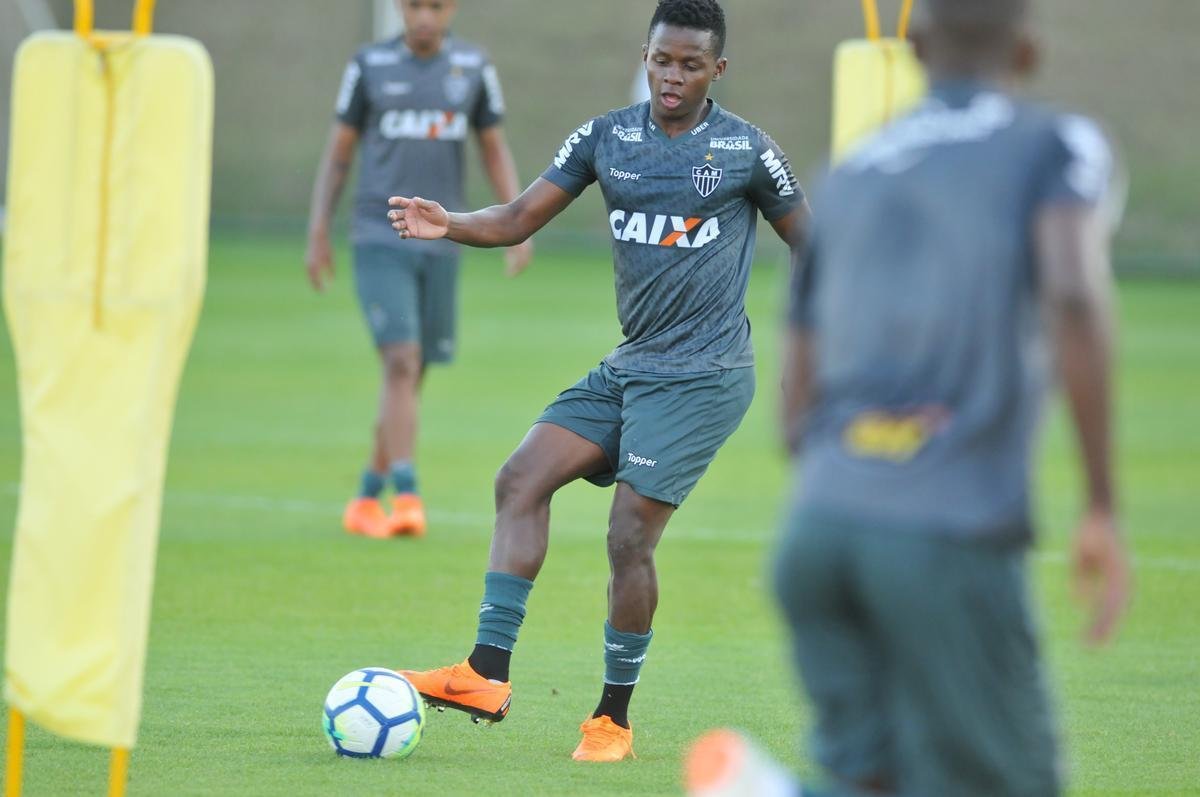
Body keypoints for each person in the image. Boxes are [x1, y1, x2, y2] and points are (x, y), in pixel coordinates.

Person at [685, 0, 1130, 795]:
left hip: (821, 530)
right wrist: (1101, 501)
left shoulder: (850, 171)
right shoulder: (1057, 144)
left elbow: (800, 392)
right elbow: (1070, 291)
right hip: (946, 530)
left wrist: (851, 482)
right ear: (1027, 51)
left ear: (915, 46)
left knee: (880, 782)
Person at [388, 0, 809, 762]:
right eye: (661, 59)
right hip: (633, 363)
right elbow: (519, 217)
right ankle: (486, 671)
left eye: (689, 63)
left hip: (704, 377)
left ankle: (611, 718)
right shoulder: (606, 136)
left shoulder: (745, 151)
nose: (672, 75)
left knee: (626, 538)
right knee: (520, 477)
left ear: (718, 69)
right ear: (643, 55)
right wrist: (447, 222)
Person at [305, 0, 532, 539]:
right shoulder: (369, 66)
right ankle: (407, 494)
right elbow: (339, 153)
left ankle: (365, 497)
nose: (424, 16)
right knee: (402, 361)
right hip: (379, 233)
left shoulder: (473, 68)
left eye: (436, 5)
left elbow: (493, 149)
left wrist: (517, 225)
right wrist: (318, 229)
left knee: (412, 371)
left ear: (451, 8)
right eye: (414, 5)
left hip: (442, 237)